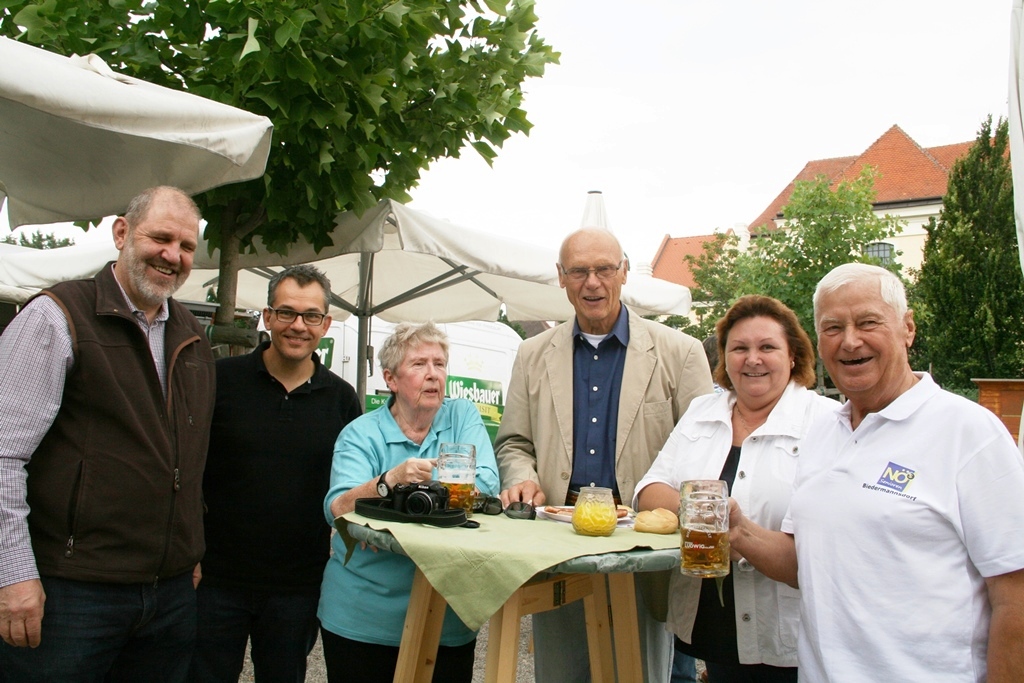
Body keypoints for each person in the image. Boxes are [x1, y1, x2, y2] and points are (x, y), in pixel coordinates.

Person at [729, 263, 1024, 682]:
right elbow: (807, 562)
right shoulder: (823, 432)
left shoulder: (968, 432)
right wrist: (740, 531)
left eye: (868, 322)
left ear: (908, 328)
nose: (850, 341)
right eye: (833, 328)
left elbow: (1015, 592)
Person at [0, 186, 215, 682]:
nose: (173, 255)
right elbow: (5, 456)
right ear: (121, 233)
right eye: (161, 238)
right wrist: (14, 573)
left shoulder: (190, 334)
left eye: (186, 246)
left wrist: (190, 548)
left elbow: (189, 456)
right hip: (72, 591)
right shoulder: (58, 315)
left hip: (168, 595)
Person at [495, 227, 713, 683]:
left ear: (624, 272)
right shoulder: (532, 354)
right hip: (558, 542)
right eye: (578, 271)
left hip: (644, 546)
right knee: (562, 675)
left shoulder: (680, 353)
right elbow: (514, 442)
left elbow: (704, 455)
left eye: (604, 269)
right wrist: (521, 477)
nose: (592, 282)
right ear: (561, 277)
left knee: (641, 673)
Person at [635, 296, 838, 682]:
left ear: (793, 355)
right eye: (739, 348)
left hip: (789, 633)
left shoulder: (827, 422)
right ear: (725, 358)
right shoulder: (701, 413)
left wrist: (740, 533)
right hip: (713, 624)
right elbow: (649, 490)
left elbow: (828, 549)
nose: (752, 359)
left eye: (767, 347)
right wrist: (706, 513)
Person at [190, 265, 361, 682]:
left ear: (326, 324)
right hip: (215, 580)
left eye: (311, 315)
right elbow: (190, 470)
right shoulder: (220, 380)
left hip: (298, 587)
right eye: (286, 313)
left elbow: (351, 487)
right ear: (267, 317)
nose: (298, 326)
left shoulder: (342, 399)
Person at [318, 322, 499, 683]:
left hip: (446, 616)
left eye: (439, 364)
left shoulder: (461, 415)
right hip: (365, 615)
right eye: (419, 364)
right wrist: (391, 479)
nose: (433, 374)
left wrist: (387, 505)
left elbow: (486, 484)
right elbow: (338, 508)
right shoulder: (360, 433)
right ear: (391, 379)